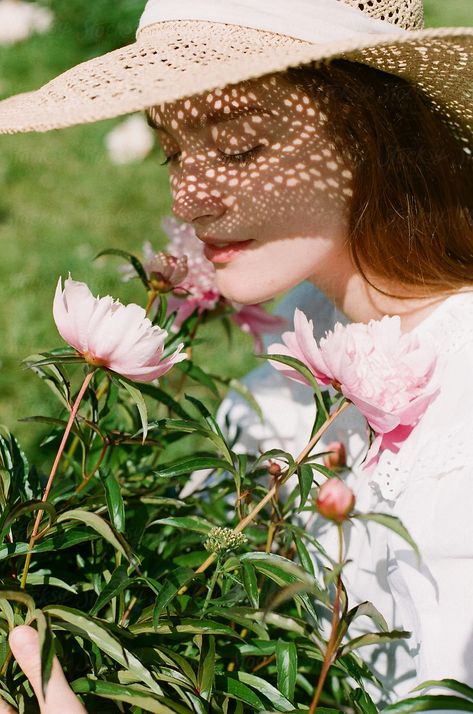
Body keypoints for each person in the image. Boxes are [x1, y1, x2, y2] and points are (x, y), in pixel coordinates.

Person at [0, 0, 472, 710]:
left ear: (376, 130)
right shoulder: (309, 327)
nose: (186, 198)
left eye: (241, 145)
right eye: (171, 148)